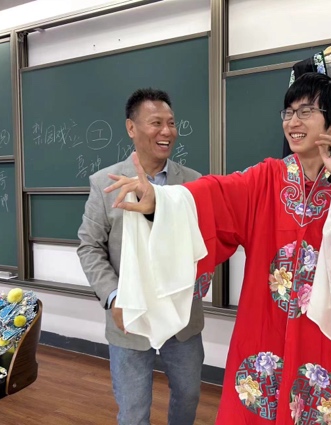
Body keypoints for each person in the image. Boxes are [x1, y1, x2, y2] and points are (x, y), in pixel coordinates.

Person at [105, 74, 331, 424]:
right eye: (288, 112)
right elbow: (213, 196)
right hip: (265, 324)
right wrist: (159, 202)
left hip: (325, 330)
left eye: (306, 111)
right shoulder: (265, 178)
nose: (293, 122)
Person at [77, 88, 205, 425]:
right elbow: (89, 246)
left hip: (181, 315)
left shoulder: (193, 183)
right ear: (131, 128)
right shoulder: (105, 183)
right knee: (133, 410)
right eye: (156, 123)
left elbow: (205, 241)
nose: (167, 131)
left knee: (189, 395)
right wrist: (114, 296)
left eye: (171, 123)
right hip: (129, 315)